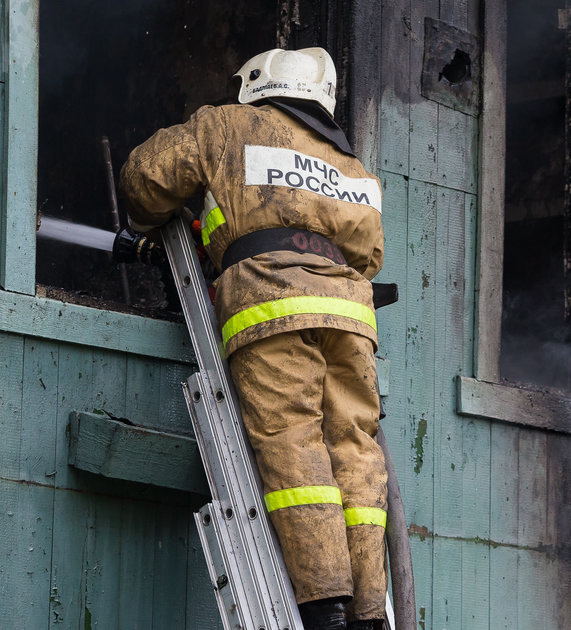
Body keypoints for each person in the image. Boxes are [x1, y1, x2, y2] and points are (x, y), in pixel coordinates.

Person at [119, 47, 388, 630]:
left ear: (258, 83)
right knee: (356, 454)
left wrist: (147, 224)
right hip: (351, 319)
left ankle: (325, 608)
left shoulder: (227, 125)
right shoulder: (355, 169)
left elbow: (145, 177)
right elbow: (368, 257)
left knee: (293, 441)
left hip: (272, 302)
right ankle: (369, 612)